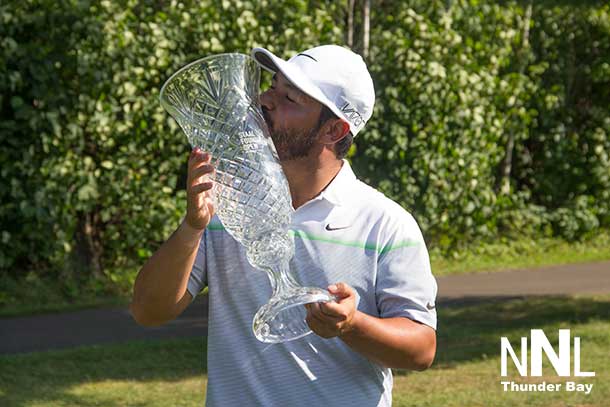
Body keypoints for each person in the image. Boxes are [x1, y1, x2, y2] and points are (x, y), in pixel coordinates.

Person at [131, 44, 438, 406]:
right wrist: (192, 226)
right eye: (272, 86)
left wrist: (352, 325)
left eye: (289, 97)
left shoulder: (386, 224)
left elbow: (421, 350)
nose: (265, 100)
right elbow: (148, 311)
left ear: (333, 130)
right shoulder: (226, 206)